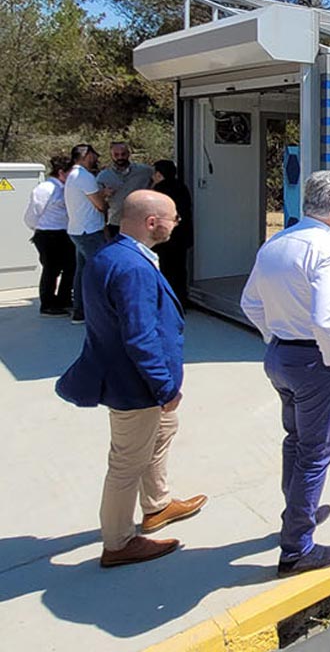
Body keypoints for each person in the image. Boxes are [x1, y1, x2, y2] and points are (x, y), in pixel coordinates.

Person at [56, 190, 203, 568]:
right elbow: (140, 337)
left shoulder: (111, 255)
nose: (177, 224)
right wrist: (164, 387)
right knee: (126, 463)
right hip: (135, 386)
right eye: (174, 218)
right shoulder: (133, 269)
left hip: (133, 380)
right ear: (152, 222)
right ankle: (119, 542)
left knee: (162, 432)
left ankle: (157, 505)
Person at [240, 171, 330, 576]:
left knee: (295, 441)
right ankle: (297, 548)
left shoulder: (277, 243)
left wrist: (275, 337)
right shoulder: (329, 250)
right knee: (315, 453)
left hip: (282, 356)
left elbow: (250, 303)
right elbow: (327, 319)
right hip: (318, 363)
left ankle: (298, 509)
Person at [24, 155, 75, 316]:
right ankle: (47, 304)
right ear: (61, 172)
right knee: (51, 270)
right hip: (48, 234)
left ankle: (64, 299)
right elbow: (33, 214)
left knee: (70, 267)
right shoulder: (45, 189)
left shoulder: (65, 188)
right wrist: (37, 229)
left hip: (64, 233)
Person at [65, 143, 107, 324]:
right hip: (89, 231)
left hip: (78, 229)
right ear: (87, 155)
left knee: (82, 272)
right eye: (94, 155)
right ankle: (99, 312)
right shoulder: (85, 176)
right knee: (100, 270)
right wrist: (105, 195)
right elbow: (100, 205)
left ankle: (80, 311)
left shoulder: (73, 175)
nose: (96, 158)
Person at [149, 160, 193, 305]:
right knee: (179, 269)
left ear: (159, 174)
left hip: (165, 238)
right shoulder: (182, 187)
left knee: (165, 269)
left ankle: (166, 301)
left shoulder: (159, 191)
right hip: (182, 236)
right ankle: (181, 299)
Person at [96, 142, 154, 240]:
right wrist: (103, 193)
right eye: (116, 155)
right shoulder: (103, 176)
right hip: (116, 222)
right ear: (111, 155)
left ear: (128, 154)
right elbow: (95, 199)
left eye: (123, 154)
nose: (120, 157)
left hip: (140, 222)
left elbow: (159, 181)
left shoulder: (145, 171)